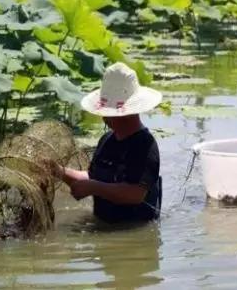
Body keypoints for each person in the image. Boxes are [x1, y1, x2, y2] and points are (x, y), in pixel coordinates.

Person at [47, 62, 163, 223]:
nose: (103, 116)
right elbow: (93, 177)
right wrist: (57, 171)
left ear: (126, 113)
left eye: (107, 112)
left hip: (132, 231)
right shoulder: (107, 140)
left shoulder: (145, 145)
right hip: (101, 225)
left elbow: (135, 194)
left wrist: (94, 187)